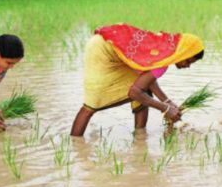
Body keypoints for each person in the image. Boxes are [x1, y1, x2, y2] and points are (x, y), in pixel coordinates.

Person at [70, 23, 204, 137]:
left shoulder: (164, 47)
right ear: (183, 52)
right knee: (92, 103)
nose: (187, 66)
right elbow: (134, 92)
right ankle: (75, 146)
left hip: (107, 43)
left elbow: (147, 79)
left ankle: (140, 137)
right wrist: (165, 108)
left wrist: (167, 101)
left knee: (142, 88)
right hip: (102, 51)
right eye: (188, 61)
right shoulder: (163, 61)